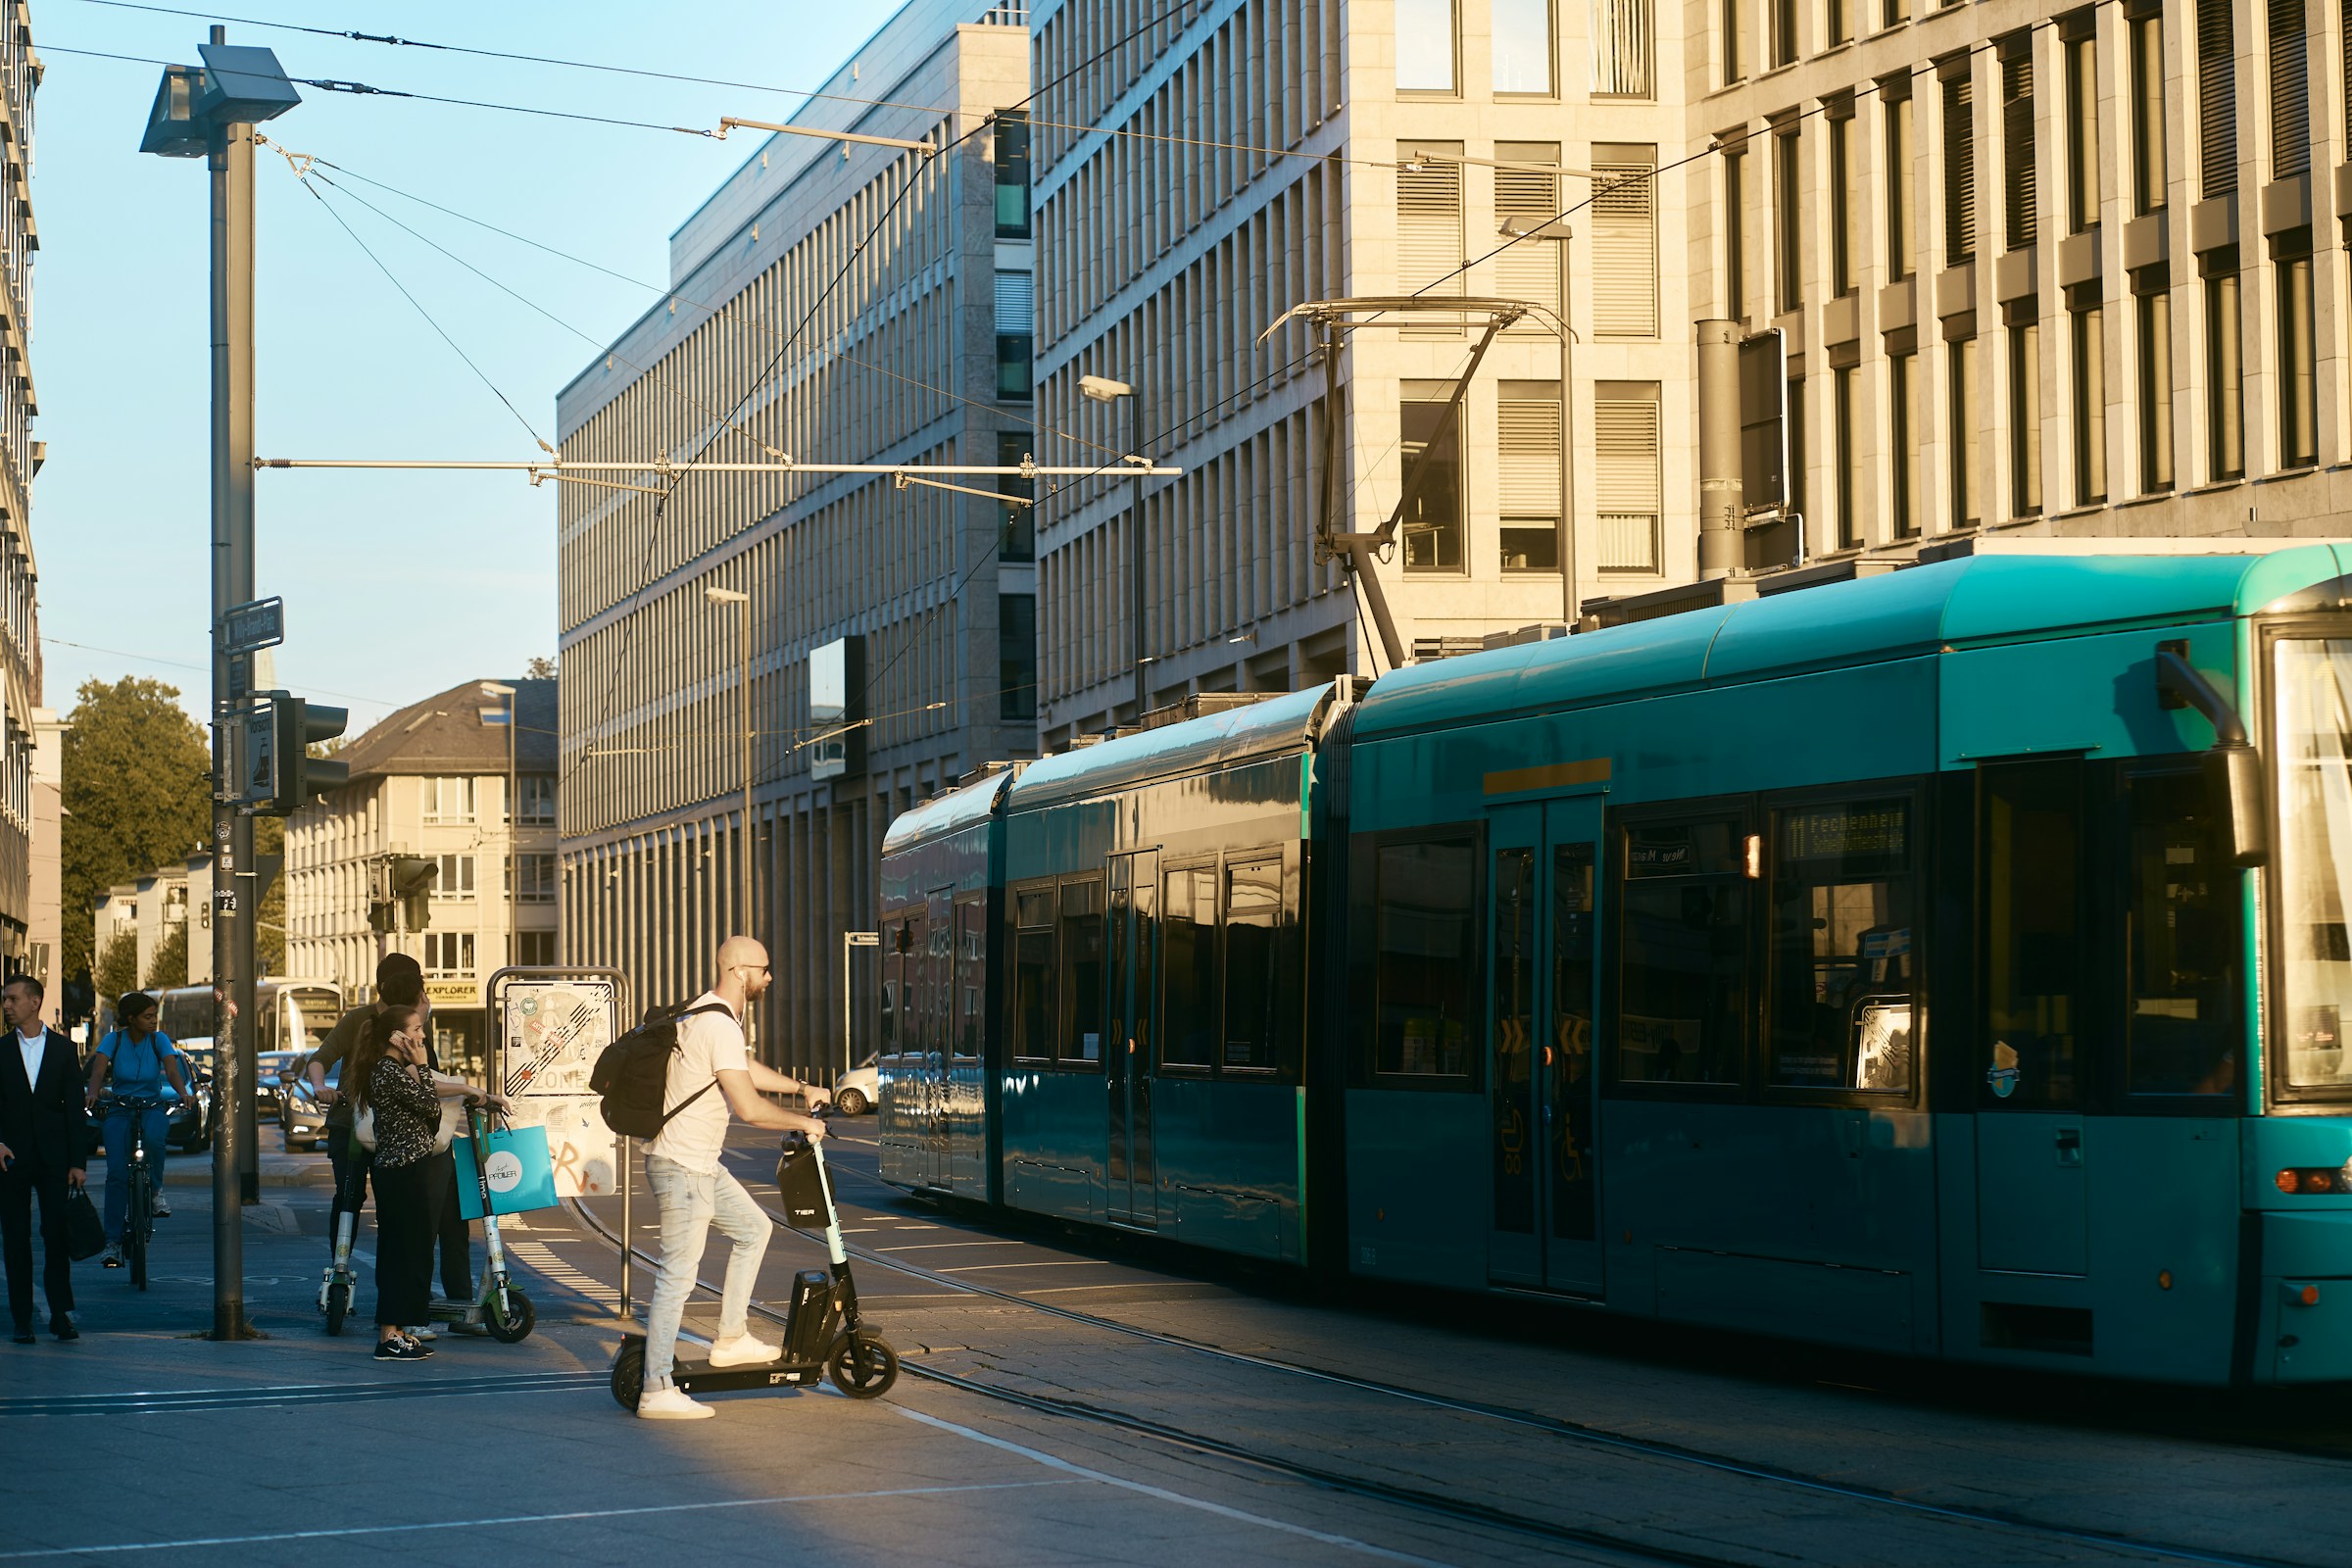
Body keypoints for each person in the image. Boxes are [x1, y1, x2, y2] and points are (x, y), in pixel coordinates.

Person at [637, 935, 829, 1420]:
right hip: (684, 1167)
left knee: (754, 1228)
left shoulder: (706, 1013)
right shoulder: (718, 1021)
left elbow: (740, 1069)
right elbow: (747, 1107)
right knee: (677, 1277)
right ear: (740, 971)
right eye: (765, 969)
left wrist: (801, 1088)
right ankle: (655, 1388)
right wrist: (804, 1122)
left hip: (699, 1164)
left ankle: (730, 1338)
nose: (770, 978)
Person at [307, 956, 475, 1337]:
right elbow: (322, 1060)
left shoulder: (407, 1030)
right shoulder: (376, 1030)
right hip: (364, 1133)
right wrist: (321, 1088)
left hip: (393, 1140)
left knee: (410, 1227)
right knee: (362, 1208)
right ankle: (377, 1301)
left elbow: (424, 1082)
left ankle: (419, 1310)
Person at [347, 1005, 508, 1362]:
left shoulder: (389, 1070)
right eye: (416, 1030)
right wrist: (421, 1062)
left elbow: (427, 1101)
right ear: (396, 1037)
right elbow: (429, 1106)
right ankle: (389, 1336)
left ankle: (399, 1332)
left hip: (406, 1171)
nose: (422, 1036)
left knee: (410, 1254)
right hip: (403, 1173)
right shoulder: (387, 1072)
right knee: (405, 1256)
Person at [0, 976, 86, 1342]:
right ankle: (22, 1320)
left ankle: (60, 1314)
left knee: (56, 1237)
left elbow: (75, 1112)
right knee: (15, 1239)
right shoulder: (1, 1050)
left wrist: (77, 1162)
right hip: (11, 1158)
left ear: (34, 1002)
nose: (6, 1005)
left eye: (12, 999)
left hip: (55, 1159)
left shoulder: (64, 1051)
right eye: (4, 1000)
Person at [83, 991, 192, 1263]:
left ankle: (155, 1190)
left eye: (155, 1016)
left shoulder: (159, 1040)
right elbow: (97, 1071)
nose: (154, 1021)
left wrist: (184, 1093)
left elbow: (173, 1070)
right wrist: (93, 1092)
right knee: (117, 1174)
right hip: (120, 1108)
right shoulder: (113, 1039)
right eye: (148, 1016)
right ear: (131, 1019)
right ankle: (112, 1242)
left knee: (156, 1138)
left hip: (151, 1106)